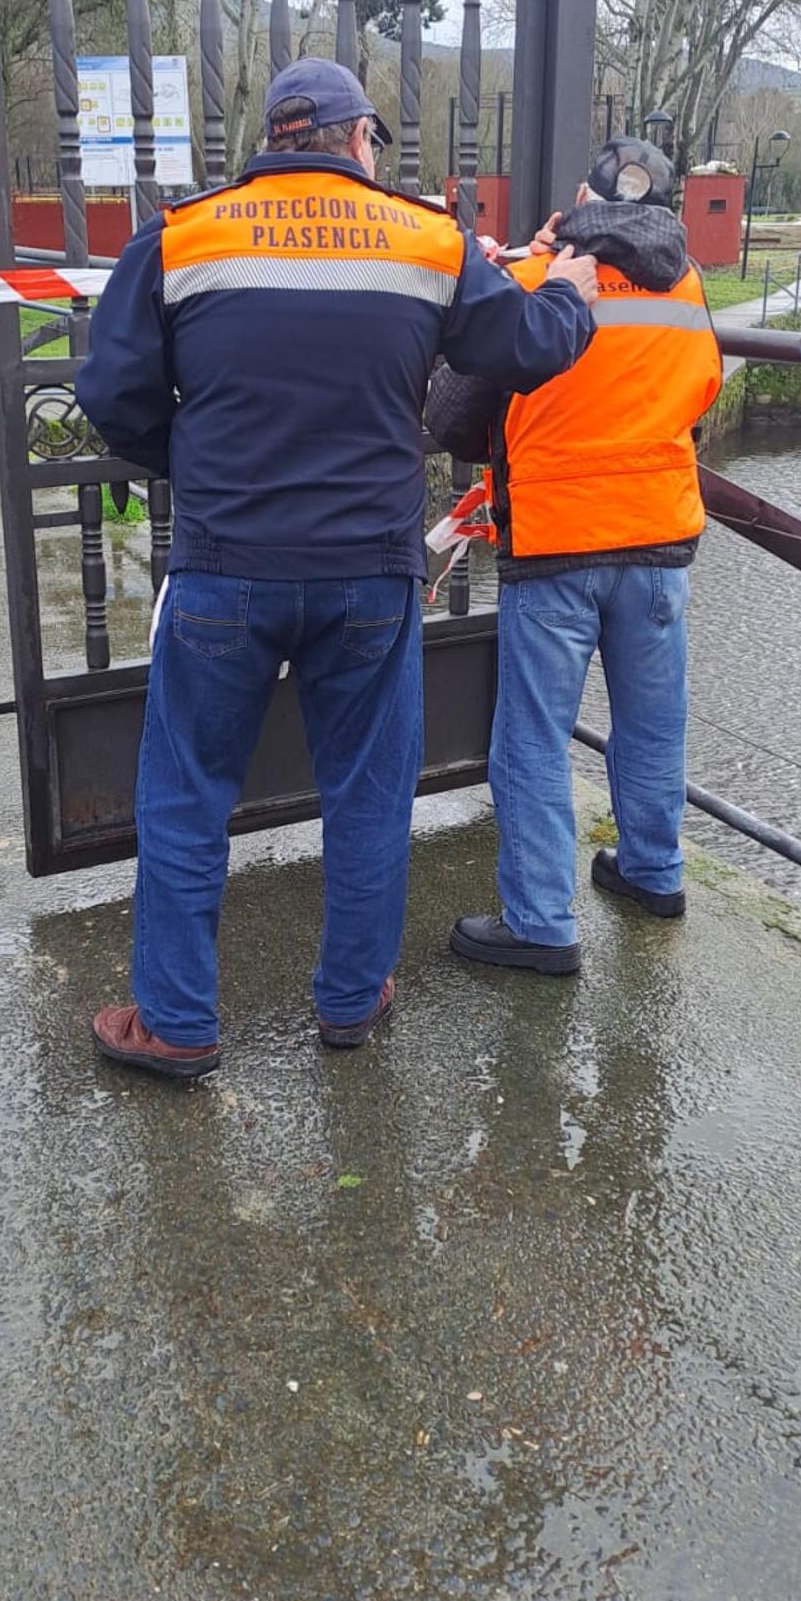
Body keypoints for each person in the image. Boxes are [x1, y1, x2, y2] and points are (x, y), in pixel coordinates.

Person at [75, 57, 599, 1079]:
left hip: (227, 565)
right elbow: (527, 345)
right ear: (361, 141)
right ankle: (352, 1001)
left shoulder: (185, 235)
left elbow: (112, 390)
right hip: (370, 572)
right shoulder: (427, 238)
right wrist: (572, 291)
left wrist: (200, 463)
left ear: (271, 138)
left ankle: (177, 1023)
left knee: (186, 796)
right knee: (367, 792)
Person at [425, 134, 723, 975]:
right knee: (653, 720)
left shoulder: (536, 281)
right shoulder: (690, 284)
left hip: (558, 541)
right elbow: (704, 387)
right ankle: (653, 871)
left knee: (532, 737)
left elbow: (451, 418)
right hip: (660, 537)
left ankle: (541, 921)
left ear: (584, 205)